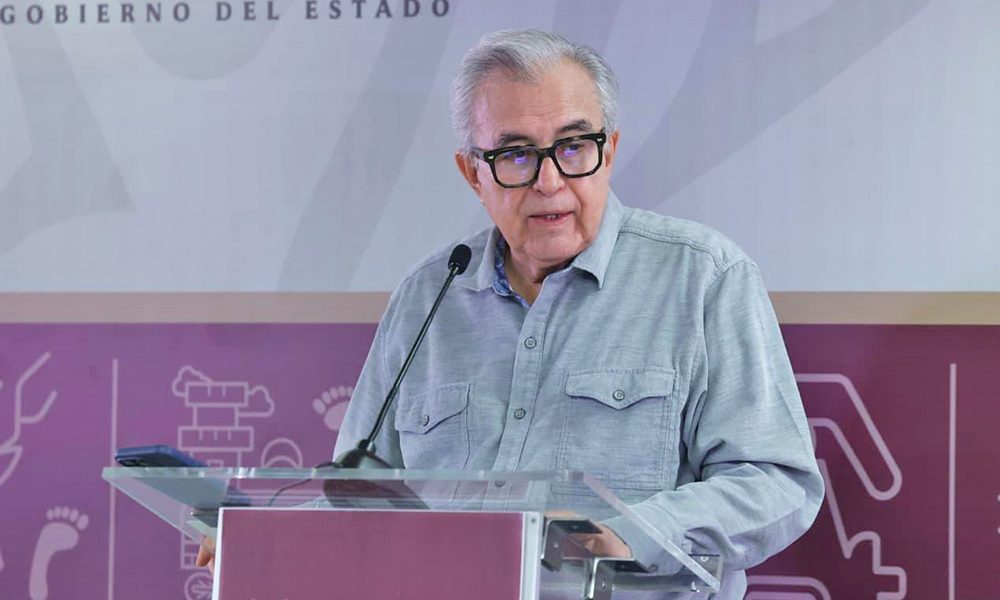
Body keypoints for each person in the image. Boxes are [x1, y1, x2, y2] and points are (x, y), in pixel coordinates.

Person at [202, 29, 823, 598]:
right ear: (473, 174)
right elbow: (361, 497)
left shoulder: (703, 277)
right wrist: (262, 537)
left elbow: (777, 482)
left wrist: (629, 533)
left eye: (573, 147)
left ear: (609, 151)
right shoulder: (427, 298)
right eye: (516, 155)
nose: (549, 182)